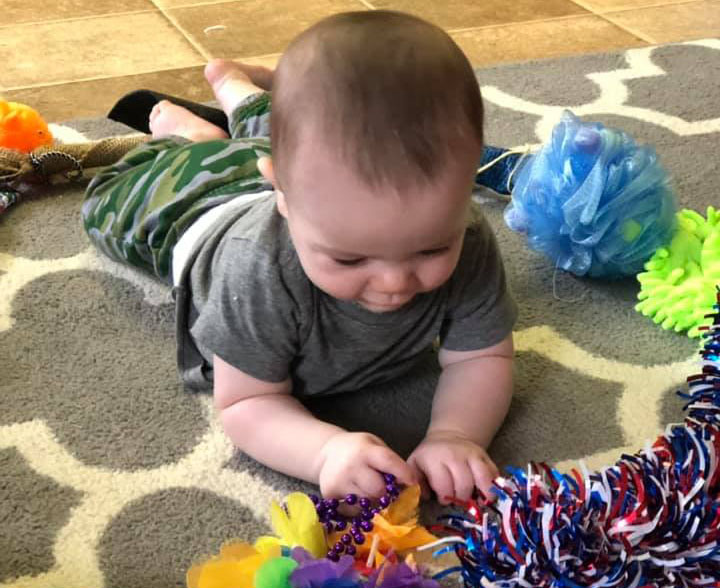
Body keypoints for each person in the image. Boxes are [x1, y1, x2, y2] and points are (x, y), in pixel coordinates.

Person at [82, 9, 517, 504]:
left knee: (274, 141)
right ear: (282, 198)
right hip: (189, 212)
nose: (394, 282)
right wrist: (325, 451)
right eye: (350, 260)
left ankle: (237, 92)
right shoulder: (257, 270)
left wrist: (456, 435)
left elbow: (483, 357)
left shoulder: (470, 234)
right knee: (109, 201)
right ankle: (186, 138)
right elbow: (248, 401)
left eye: (432, 247)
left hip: (279, 172)